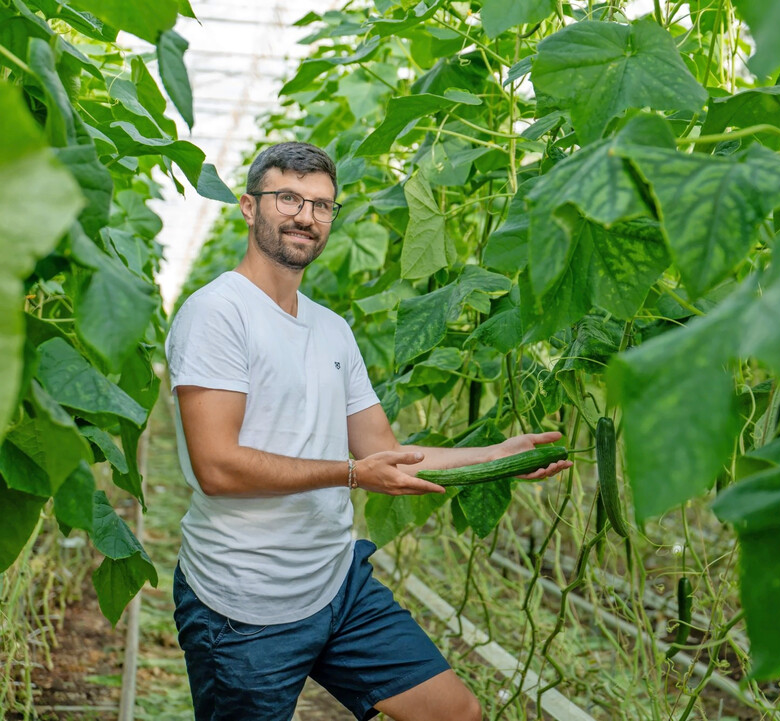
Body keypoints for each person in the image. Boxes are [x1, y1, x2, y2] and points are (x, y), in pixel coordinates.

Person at [165, 141, 571, 720]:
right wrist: (352, 474)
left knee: (455, 714)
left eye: (322, 205)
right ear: (249, 208)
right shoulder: (217, 313)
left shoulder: (332, 330)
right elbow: (218, 467)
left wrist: (497, 454)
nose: (306, 216)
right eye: (288, 198)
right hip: (244, 604)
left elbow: (383, 453)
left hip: (336, 583)